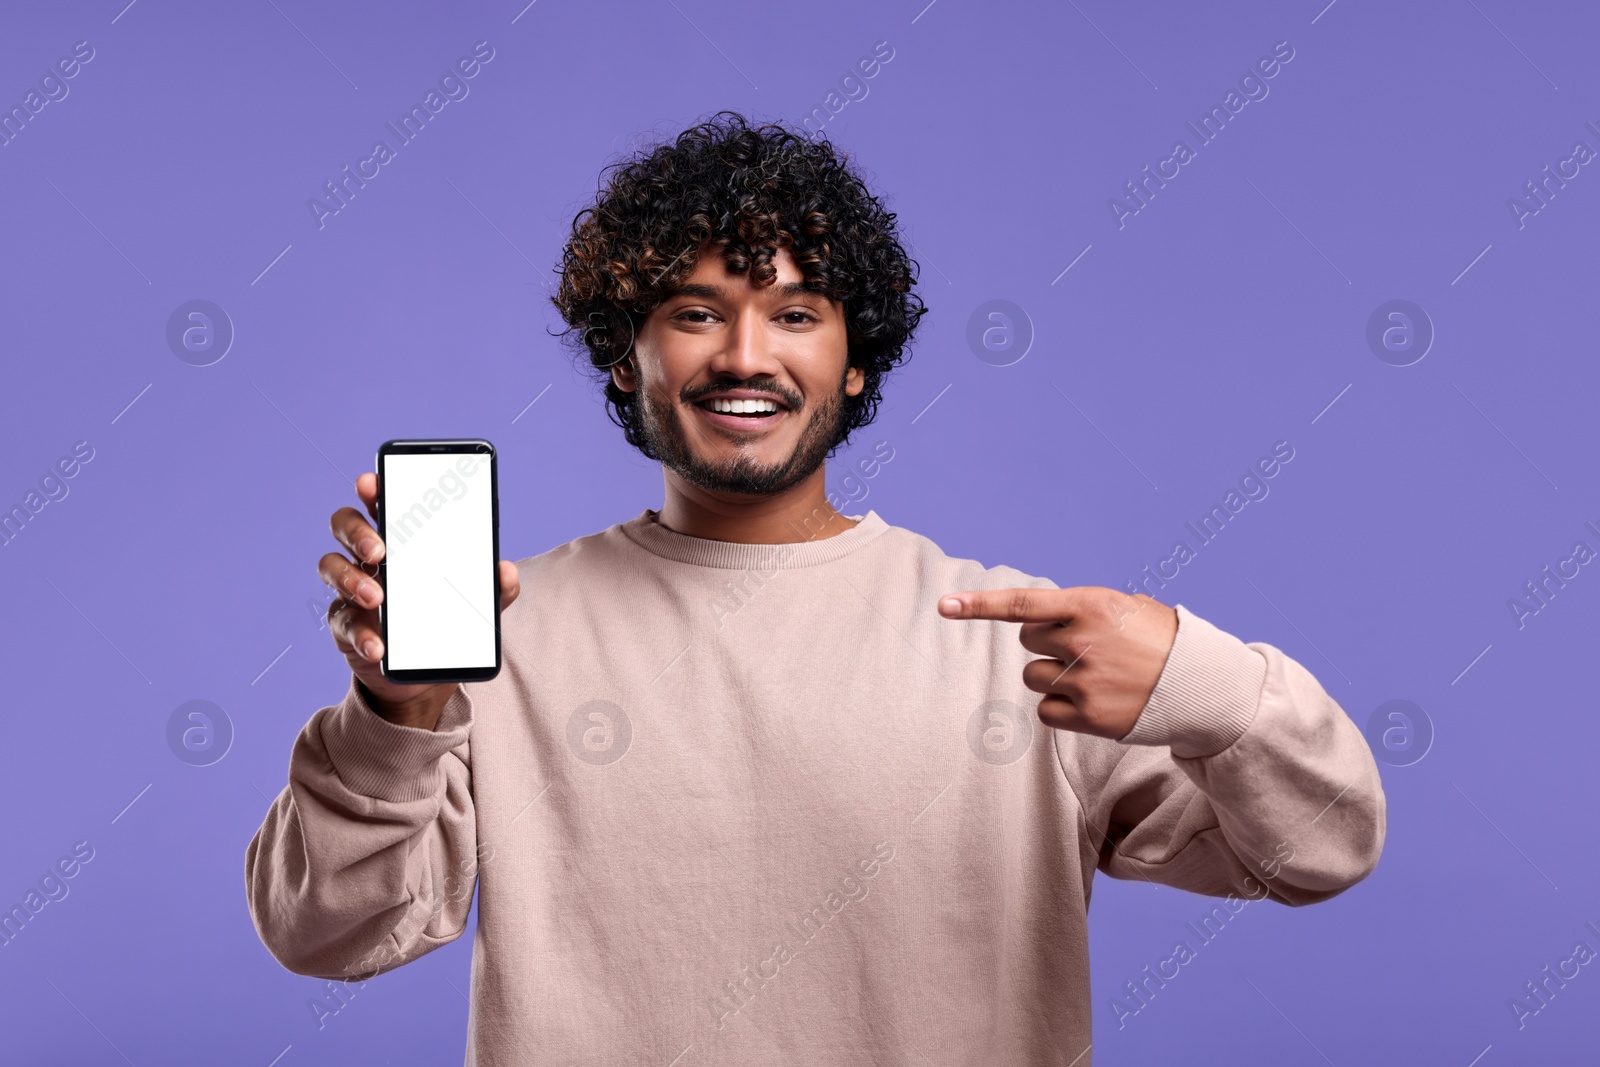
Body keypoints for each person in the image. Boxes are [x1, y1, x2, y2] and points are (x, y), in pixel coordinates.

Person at [245, 110, 1385, 1065]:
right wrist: (397, 720)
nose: (746, 354)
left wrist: (1211, 684)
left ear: (854, 360)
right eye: (693, 311)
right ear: (621, 355)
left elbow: (1321, 851)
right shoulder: (495, 641)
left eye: (794, 312)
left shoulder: (1018, 641)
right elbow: (324, 933)